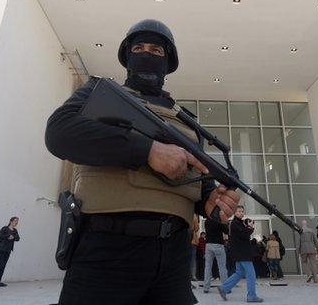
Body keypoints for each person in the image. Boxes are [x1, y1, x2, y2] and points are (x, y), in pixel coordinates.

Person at [45, 19, 239, 305]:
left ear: (168, 61)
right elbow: (59, 132)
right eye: (139, 47)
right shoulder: (99, 92)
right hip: (107, 249)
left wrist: (209, 200)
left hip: (173, 259)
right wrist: (147, 150)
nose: (146, 54)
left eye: (156, 50)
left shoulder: (187, 122)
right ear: (127, 57)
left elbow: (197, 180)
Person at [218, 208, 262, 303]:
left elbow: (243, 235)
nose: (241, 213)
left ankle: (223, 288)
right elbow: (244, 235)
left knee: (239, 273)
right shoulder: (234, 224)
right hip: (242, 253)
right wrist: (250, 227)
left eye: (242, 211)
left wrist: (247, 224)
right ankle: (251, 296)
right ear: (235, 212)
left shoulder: (239, 223)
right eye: (239, 211)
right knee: (251, 274)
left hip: (240, 252)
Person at [0, 217, 20, 287]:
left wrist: (13, 237)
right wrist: (8, 236)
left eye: (17, 221)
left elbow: (18, 238)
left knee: (2, 265)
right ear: (10, 221)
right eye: (15, 221)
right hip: (0, 249)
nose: (16, 222)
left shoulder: (15, 231)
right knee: (1, 265)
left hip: (8, 250)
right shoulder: (4, 228)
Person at [203, 218, 229, 293]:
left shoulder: (207, 221)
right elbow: (226, 231)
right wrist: (225, 223)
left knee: (207, 267)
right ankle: (225, 287)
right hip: (218, 244)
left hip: (208, 244)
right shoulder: (220, 220)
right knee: (222, 267)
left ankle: (206, 287)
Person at [191, 214, 200, 283]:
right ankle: (193, 275)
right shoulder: (194, 216)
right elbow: (196, 228)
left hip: (182, 239)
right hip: (192, 240)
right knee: (193, 259)